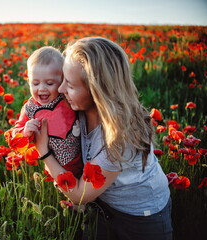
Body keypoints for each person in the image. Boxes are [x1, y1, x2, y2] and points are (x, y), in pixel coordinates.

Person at [34, 37, 172, 240]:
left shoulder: (120, 138)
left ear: (97, 92)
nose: (61, 90)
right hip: (102, 204)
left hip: (140, 218)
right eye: (62, 80)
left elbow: (80, 195)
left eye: (70, 85)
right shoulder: (76, 105)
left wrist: (44, 152)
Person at [11, 46, 83, 178]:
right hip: (52, 167)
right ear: (28, 82)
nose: (42, 89)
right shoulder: (29, 108)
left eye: (49, 83)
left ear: (62, 81)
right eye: (35, 83)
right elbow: (14, 134)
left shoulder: (67, 99)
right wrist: (24, 131)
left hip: (81, 161)